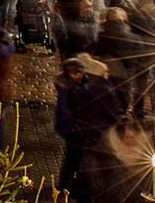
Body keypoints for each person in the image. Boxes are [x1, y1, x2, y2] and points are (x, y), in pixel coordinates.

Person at [55, 53, 125, 203]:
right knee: (89, 166)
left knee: (72, 159)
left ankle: (65, 187)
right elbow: (114, 112)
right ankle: (80, 191)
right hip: (91, 133)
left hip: (76, 131)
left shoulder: (71, 86)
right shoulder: (100, 89)